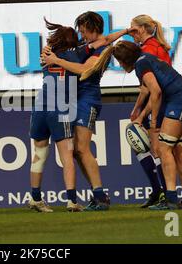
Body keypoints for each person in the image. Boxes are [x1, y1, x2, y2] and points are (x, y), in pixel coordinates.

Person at [81, 40, 182, 209]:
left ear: (124, 61)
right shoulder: (145, 58)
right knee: (177, 149)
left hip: (180, 100)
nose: (121, 67)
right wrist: (139, 113)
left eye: (120, 63)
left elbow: (156, 91)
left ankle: (171, 199)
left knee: (164, 148)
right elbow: (148, 91)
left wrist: (153, 121)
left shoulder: (141, 64)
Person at [41, 11, 131, 211]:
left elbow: (84, 70)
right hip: (74, 99)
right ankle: (97, 194)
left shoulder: (103, 50)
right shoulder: (93, 43)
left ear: (93, 29)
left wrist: (56, 60)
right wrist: (125, 30)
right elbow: (105, 37)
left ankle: (100, 196)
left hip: (87, 100)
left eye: (83, 31)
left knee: (82, 148)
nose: (81, 36)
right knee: (76, 152)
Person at [29, 19, 83, 213]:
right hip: (61, 107)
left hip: (40, 106)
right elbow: (83, 69)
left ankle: (35, 198)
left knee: (40, 154)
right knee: (67, 156)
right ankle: (71, 201)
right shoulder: (74, 55)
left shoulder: (45, 55)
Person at [126, 14, 170, 207]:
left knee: (156, 148)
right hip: (157, 101)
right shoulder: (153, 47)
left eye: (133, 29)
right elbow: (145, 88)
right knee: (139, 143)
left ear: (142, 29)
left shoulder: (149, 51)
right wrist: (137, 109)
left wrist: (142, 113)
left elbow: (154, 89)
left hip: (160, 102)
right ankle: (158, 191)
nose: (131, 33)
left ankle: (165, 194)